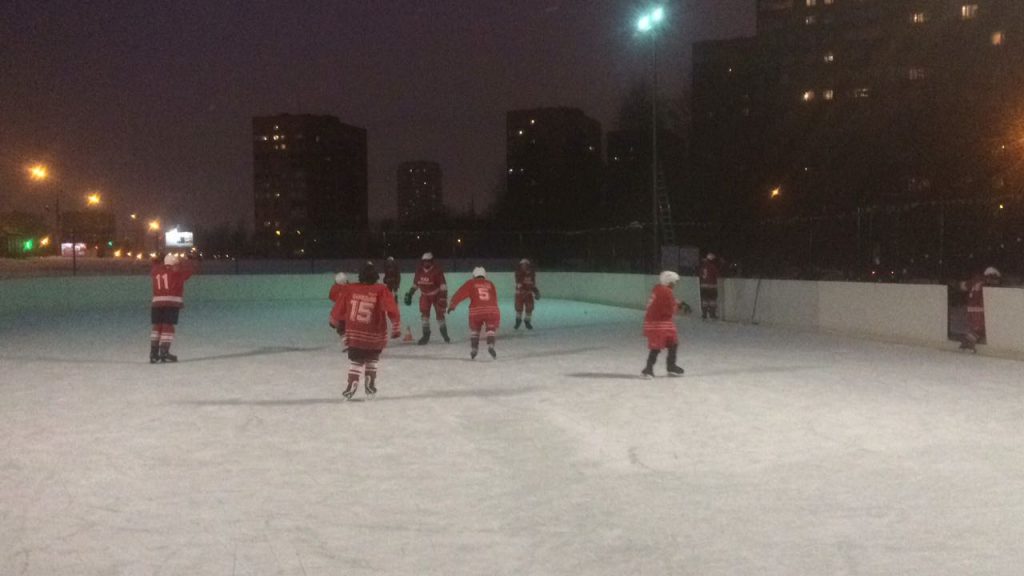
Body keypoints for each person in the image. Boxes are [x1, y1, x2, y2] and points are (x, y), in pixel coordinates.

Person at [329, 261, 401, 399]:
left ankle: (352, 384)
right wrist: (396, 327)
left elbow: (339, 307)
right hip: (375, 335)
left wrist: (334, 320)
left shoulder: (350, 289)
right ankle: (370, 384)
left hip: (355, 335)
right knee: (372, 359)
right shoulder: (381, 290)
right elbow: (392, 309)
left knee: (356, 361)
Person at [642, 271, 691, 378]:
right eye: (674, 282)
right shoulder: (665, 292)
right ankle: (648, 368)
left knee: (673, 343)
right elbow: (669, 309)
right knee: (656, 346)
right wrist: (679, 307)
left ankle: (671, 366)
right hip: (657, 323)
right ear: (669, 282)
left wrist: (680, 303)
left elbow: (671, 300)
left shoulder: (660, 289)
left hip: (663, 322)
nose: (675, 284)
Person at [149, 253, 195, 363]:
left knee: (157, 327)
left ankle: (153, 353)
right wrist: (186, 260)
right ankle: (164, 351)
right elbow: (189, 271)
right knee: (168, 327)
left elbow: (154, 266)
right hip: (171, 302)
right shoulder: (177, 271)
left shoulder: (156, 271)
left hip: (156, 303)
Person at [448, 267, 500, 359]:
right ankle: (491, 345)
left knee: (475, 330)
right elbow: (494, 297)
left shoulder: (471, 283)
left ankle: (474, 349)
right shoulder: (490, 283)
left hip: (476, 310)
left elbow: (460, 294)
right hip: (492, 309)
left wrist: (452, 305)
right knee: (491, 329)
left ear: (474, 275)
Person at [404, 252, 449, 344]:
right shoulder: (419, 271)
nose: (426, 263)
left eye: (428, 261)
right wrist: (410, 293)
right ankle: (425, 335)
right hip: (425, 295)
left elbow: (443, 285)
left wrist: (443, 298)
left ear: (432, 262)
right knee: (424, 315)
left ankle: (445, 335)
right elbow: (416, 284)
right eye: (424, 261)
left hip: (436, 295)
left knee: (440, 315)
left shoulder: (437, 271)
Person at [960, 266, 1001, 352]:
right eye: (992, 278)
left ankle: (965, 344)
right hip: (978, 308)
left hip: (970, 307)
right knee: (979, 328)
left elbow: (963, 286)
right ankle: (967, 344)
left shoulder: (976, 280)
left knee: (975, 327)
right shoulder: (984, 283)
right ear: (989, 276)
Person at [514, 258, 540, 330]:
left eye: (526, 265)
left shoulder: (532, 274)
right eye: (523, 265)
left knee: (529, 308)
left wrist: (536, 291)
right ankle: (518, 321)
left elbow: (532, 284)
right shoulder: (518, 273)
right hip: (520, 294)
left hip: (528, 295)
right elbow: (519, 282)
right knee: (519, 309)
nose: (524, 266)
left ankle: (527, 321)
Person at [699, 253, 721, 320]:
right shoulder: (712, 266)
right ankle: (712, 315)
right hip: (712, 286)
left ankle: (704, 315)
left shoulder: (703, 267)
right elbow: (717, 275)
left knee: (704, 301)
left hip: (703, 286)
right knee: (712, 301)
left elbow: (700, 275)